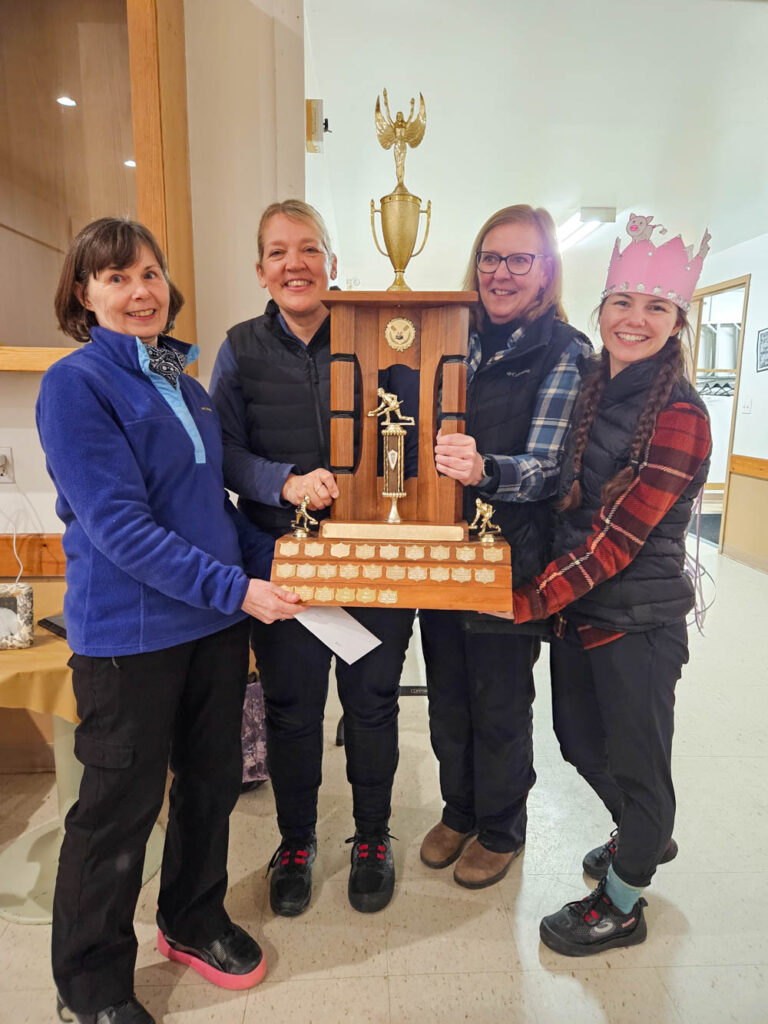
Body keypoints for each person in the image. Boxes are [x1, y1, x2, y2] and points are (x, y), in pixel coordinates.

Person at [38, 217, 303, 1024]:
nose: (140, 290)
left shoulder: (182, 383)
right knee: (116, 812)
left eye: (149, 273)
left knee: (210, 786)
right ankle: (89, 986)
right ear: (84, 294)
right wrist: (239, 589)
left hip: (211, 630)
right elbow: (120, 528)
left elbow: (210, 508)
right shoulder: (76, 384)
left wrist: (286, 564)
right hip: (130, 637)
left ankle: (191, 919)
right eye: (116, 277)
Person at [507, 215, 712, 955]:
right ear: (602, 310)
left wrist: (526, 600)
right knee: (577, 742)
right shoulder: (594, 386)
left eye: (656, 307)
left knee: (636, 764)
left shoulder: (680, 414)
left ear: (676, 322)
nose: (635, 318)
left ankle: (623, 902)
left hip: (638, 622)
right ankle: (643, 834)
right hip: (582, 611)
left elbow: (616, 539)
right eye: (623, 301)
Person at [210, 199, 415, 916]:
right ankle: (296, 842)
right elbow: (222, 451)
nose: (294, 264)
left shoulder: (378, 338)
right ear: (260, 270)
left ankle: (372, 837)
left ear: (332, 262)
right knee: (293, 713)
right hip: (283, 563)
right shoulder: (239, 348)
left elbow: (409, 434)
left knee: (373, 706)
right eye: (278, 252)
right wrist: (284, 481)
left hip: (374, 561)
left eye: (308, 249)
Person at [418, 205, 592, 888]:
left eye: (520, 259)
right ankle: (458, 810)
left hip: (510, 558)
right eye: (491, 257)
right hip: (441, 549)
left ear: (546, 271)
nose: (501, 273)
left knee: (498, 700)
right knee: (446, 694)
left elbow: (550, 469)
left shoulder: (565, 350)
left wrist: (485, 469)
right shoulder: (450, 336)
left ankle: (500, 827)